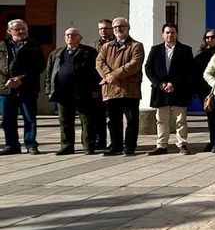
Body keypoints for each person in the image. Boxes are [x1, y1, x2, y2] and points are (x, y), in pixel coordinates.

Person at [44, 27, 101, 155]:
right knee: (65, 120)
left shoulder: (89, 52)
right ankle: (66, 146)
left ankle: (88, 146)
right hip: (63, 92)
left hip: (84, 91)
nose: (70, 37)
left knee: (87, 120)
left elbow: (97, 72)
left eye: (74, 35)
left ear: (80, 38)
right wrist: (49, 90)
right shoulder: (56, 53)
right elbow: (49, 73)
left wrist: (96, 89)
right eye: (67, 35)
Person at [95, 17, 145, 156]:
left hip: (129, 89)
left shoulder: (136, 46)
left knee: (131, 120)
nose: (118, 29)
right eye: (115, 27)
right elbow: (99, 62)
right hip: (111, 89)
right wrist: (108, 76)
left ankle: (129, 146)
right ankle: (116, 145)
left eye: (121, 26)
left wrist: (114, 75)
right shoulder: (106, 46)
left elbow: (134, 65)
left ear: (128, 28)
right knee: (113, 120)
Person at [145, 23, 195, 156]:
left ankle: (182, 144)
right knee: (161, 120)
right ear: (163, 34)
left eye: (172, 32)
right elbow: (148, 68)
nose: (170, 35)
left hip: (179, 90)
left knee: (180, 120)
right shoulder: (155, 50)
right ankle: (161, 145)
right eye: (167, 32)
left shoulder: (185, 50)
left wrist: (174, 83)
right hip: (160, 91)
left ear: (176, 34)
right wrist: (159, 83)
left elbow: (188, 69)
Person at [0, 20, 46, 155]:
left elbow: (39, 66)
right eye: (17, 29)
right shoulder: (2, 45)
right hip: (6, 88)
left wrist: (21, 78)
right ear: (9, 31)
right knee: (7, 119)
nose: (21, 32)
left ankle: (31, 144)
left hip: (28, 87)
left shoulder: (34, 45)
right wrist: (7, 80)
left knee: (29, 117)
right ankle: (11, 145)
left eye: (24, 29)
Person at [194, 28, 215, 152]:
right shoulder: (201, 54)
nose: (210, 39)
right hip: (205, 91)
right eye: (207, 37)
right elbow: (196, 73)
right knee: (210, 116)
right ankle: (213, 141)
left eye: (212, 37)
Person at [93, 18, 115, 150]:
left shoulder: (117, 43)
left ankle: (115, 142)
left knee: (113, 116)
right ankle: (100, 141)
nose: (103, 31)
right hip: (98, 85)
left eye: (106, 28)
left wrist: (110, 76)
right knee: (98, 115)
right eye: (101, 29)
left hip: (114, 83)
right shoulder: (94, 46)